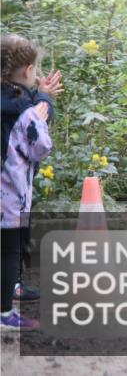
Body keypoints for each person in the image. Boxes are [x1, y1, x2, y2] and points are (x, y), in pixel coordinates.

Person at [1, 38, 61, 307]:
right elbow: (37, 139)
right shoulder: (24, 107)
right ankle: (6, 304)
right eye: (35, 70)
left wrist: (40, 96)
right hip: (10, 193)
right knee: (10, 250)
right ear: (27, 71)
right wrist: (45, 97)